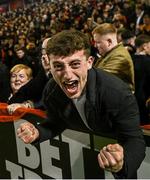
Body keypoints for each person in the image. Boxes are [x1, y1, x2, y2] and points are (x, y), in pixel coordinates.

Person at [17, 30, 145, 179]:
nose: (68, 75)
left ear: (89, 62)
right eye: (58, 66)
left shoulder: (116, 92)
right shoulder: (51, 90)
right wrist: (38, 132)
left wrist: (122, 164)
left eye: (75, 64)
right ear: (49, 66)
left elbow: (134, 139)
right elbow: (56, 122)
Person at [92, 23, 135, 93]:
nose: (95, 45)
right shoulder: (110, 54)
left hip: (119, 102)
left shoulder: (120, 56)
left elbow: (98, 79)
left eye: (98, 42)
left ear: (109, 42)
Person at [131, 34, 150, 125]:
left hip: (131, 99)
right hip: (145, 101)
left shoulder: (129, 58)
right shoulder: (148, 62)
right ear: (145, 46)